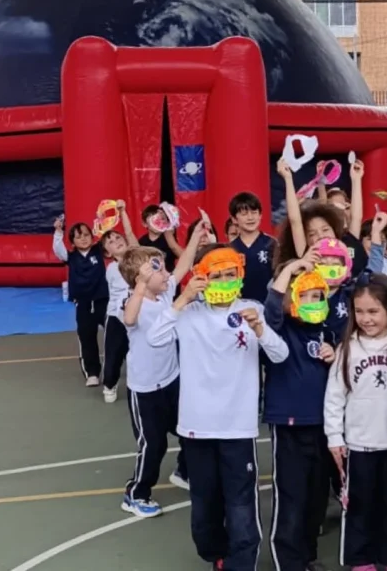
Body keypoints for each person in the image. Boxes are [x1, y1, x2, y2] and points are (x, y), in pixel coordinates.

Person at [147, 243, 289, 571]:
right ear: (201, 278)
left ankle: (241, 564)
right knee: (205, 506)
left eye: (230, 274)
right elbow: (154, 340)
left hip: (237, 428)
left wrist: (260, 329)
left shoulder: (251, 308)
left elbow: (280, 355)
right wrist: (182, 300)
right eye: (215, 275)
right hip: (196, 427)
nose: (223, 281)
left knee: (241, 506)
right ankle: (216, 554)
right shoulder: (187, 314)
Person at [323, 273, 387, 571]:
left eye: (373, 311)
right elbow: (334, 397)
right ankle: (360, 560)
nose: (366, 318)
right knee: (359, 507)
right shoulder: (348, 348)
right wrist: (335, 437)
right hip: (359, 446)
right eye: (359, 311)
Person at [263, 252, 339, 571]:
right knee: (291, 497)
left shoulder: (324, 331)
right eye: (304, 295)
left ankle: (307, 555)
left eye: (317, 296)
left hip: (321, 425)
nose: (312, 302)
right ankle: (288, 561)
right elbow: (271, 309)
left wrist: (333, 353)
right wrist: (294, 268)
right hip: (290, 424)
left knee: (316, 497)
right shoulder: (280, 329)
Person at [118, 242, 196, 516]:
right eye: (158, 270)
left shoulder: (164, 295)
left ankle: (184, 471)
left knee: (189, 429)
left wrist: (196, 236)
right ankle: (136, 493)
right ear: (140, 279)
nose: (167, 274)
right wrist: (139, 286)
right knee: (154, 444)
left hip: (171, 380)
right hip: (145, 390)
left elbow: (184, 265)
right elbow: (129, 319)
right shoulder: (131, 302)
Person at [53, 218, 108, 386]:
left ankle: (120, 364)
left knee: (116, 335)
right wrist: (58, 232)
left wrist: (104, 221)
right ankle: (92, 373)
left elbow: (109, 239)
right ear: (73, 242)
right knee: (86, 338)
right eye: (78, 237)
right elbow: (58, 249)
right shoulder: (70, 257)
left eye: (86, 235)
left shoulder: (99, 251)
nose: (83, 239)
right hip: (83, 304)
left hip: (103, 300)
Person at [99, 202, 139, 403]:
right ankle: (109, 385)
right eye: (111, 242)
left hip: (140, 315)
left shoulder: (138, 258)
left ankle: (139, 384)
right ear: (108, 253)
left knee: (139, 352)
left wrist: (123, 212)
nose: (117, 241)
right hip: (117, 317)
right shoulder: (112, 269)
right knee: (114, 354)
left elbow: (131, 235)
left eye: (118, 237)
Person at [227, 191, 277, 303]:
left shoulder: (272, 243)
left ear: (260, 215)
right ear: (234, 219)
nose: (250, 218)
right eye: (244, 214)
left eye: (254, 212)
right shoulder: (230, 249)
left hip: (267, 306)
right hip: (239, 306)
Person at [141, 203, 183, 271]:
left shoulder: (168, 238)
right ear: (145, 224)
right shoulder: (142, 242)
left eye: (160, 218)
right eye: (152, 217)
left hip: (170, 278)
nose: (157, 220)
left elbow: (183, 257)